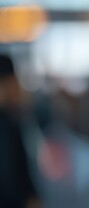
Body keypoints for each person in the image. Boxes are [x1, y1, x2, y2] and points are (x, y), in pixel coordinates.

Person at [0, 54, 41, 208]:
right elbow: (11, 178)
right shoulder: (5, 124)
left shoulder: (11, 119)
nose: (18, 88)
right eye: (14, 81)